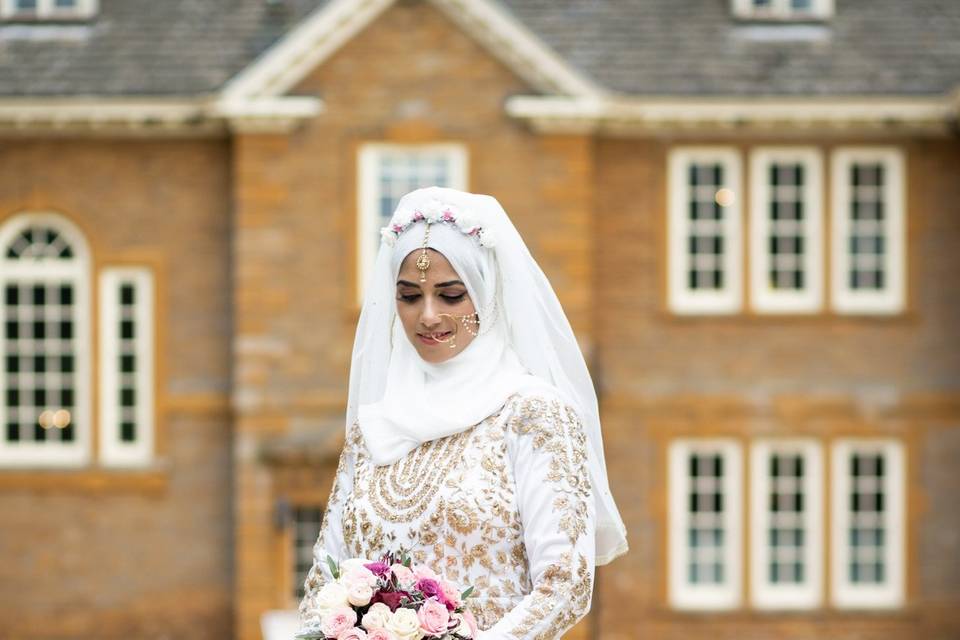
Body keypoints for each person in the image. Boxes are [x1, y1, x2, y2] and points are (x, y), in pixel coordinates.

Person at [298, 186, 628, 639]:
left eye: (451, 295)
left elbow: (564, 584)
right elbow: (323, 580)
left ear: (487, 294)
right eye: (409, 297)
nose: (427, 316)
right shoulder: (374, 427)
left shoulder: (532, 413)